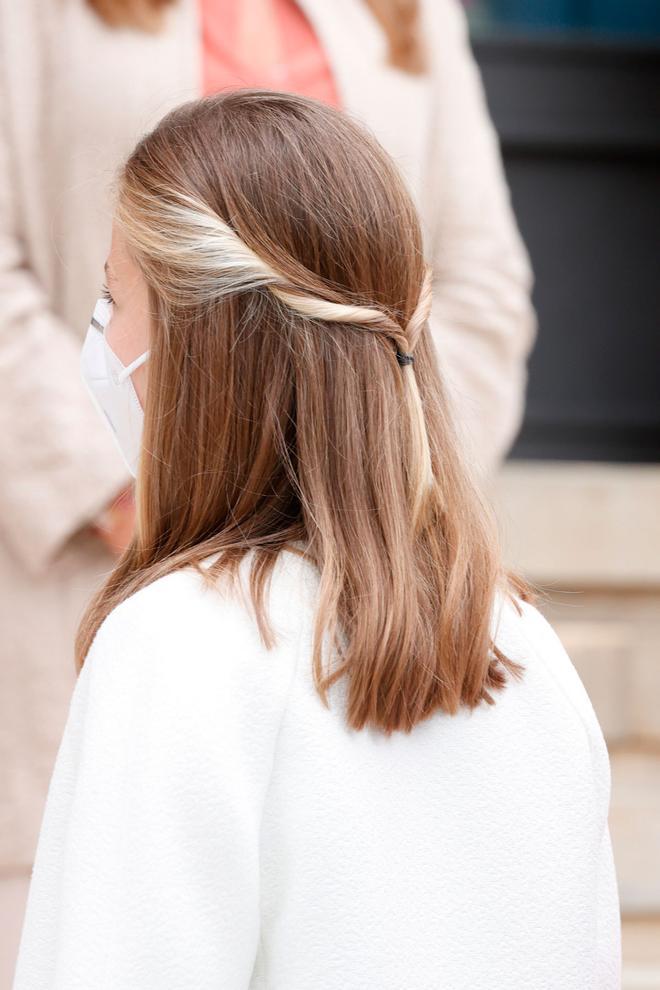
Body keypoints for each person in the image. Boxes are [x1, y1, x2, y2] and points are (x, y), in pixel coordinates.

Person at [12, 89, 619, 990]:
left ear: (199, 337)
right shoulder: (522, 646)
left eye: (114, 297)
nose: (101, 341)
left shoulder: (177, 643)